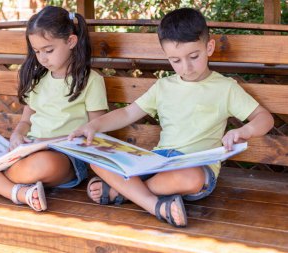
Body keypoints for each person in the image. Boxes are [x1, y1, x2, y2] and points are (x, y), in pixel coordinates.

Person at [68, 8, 274, 227]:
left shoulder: (225, 88)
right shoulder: (163, 86)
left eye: (194, 57)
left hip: (195, 167)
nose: (186, 67)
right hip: (158, 161)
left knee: (191, 178)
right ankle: (154, 204)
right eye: (175, 60)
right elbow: (128, 113)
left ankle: (127, 192)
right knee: (98, 162)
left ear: (209, 47)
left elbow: (264, 118)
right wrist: (94, 125)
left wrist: (244, 131)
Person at [0, 6, 108, 212]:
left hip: (67, 158)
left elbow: (98, 132)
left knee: (41, 165)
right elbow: (26, 121)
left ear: (71, 41)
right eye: (37, 51)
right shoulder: (38, 81)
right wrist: (18, 135)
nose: (42, 58)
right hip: (27, 152)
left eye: (48, 50)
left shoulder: (91, 81)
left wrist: (45, 143)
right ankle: (18, 192)